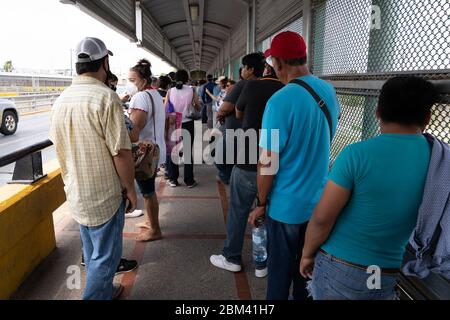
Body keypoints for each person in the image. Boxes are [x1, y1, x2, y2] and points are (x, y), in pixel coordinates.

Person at [299, 76, 439, 300]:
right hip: (385, 271)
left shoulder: (356, 154)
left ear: (378, 112)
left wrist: (307, 254)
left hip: (341, 265)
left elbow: (322, 217)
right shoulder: (438, 161)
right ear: (428, 117)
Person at [248, 31, 340, 300]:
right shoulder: (328, 91)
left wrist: (261, 201)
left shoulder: (280, 100)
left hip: (287, 206)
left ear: (277, 63)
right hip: (319, 203)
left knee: (279, 275)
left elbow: (267, 162)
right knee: (307, 271)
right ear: (304, 58)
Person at [49, 37, 137, 300]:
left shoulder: (60, 100)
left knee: (92, 253)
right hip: (104, 196)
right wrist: (131, 190)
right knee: (104, 260)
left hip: (77, 193)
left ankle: (105, 290)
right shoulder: (106, 98)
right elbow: (121, 152)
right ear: (105, 62)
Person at [210, 62, 284, 278]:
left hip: (247, 159)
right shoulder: (287, 89)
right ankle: (262, 263)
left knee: (238, 210)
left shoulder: (249, 86)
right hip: (274, 162)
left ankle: (232, 257)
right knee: (264, 211)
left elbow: (239, 113)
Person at [126, 59, 166, 242]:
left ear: (143, 80)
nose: (129, 84)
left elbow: (134, 131)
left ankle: (155, 230)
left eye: (132, 80)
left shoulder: (140, 98)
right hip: (155, 149)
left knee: (148, 192)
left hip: (144, 154)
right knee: (148, 190)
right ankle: (151, 222)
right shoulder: (154, 94)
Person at [215, 52, 265, 185]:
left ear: (251, 70)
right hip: (254, 134)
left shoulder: (242, 84)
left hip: (234, 132)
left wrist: (220, 113)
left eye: (244, 67)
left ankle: (229, 180)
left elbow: (224, 108)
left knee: (221, 160)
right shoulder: (264, 84)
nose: (242, 70)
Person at [164, 69, 201, 188]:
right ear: (186, 79)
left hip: (174, 124)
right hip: (188, 123)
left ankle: (173, 179)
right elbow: (198, 106)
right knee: (187, 151)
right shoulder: (192, 90)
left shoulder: (170, 91)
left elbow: (165, 108)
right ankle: (189, 180)